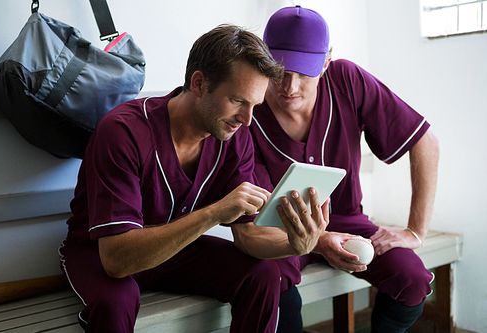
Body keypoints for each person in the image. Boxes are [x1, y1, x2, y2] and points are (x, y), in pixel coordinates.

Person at [58, 24, 323, 333]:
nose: (247, 119)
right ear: (199, 83)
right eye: (238, 101)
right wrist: (214, 213)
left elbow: (247, 234)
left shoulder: (233, 138)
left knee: (263, 274)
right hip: (101, 254)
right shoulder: (123, 132)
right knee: (116, 303)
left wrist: (297, 243)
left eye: (255, 106)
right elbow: (117, 260)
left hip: (176, 252)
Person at [248, 6, 440, 332]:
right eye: (279, 70)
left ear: (325, 63)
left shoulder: (346, 80)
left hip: (349, 222)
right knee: (271, 280)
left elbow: (425, 141)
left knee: (412, 279)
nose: (289, 86)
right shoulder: (250, 104)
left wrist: (414, 232)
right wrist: (317, 240)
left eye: (304, 72)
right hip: (281, 232)